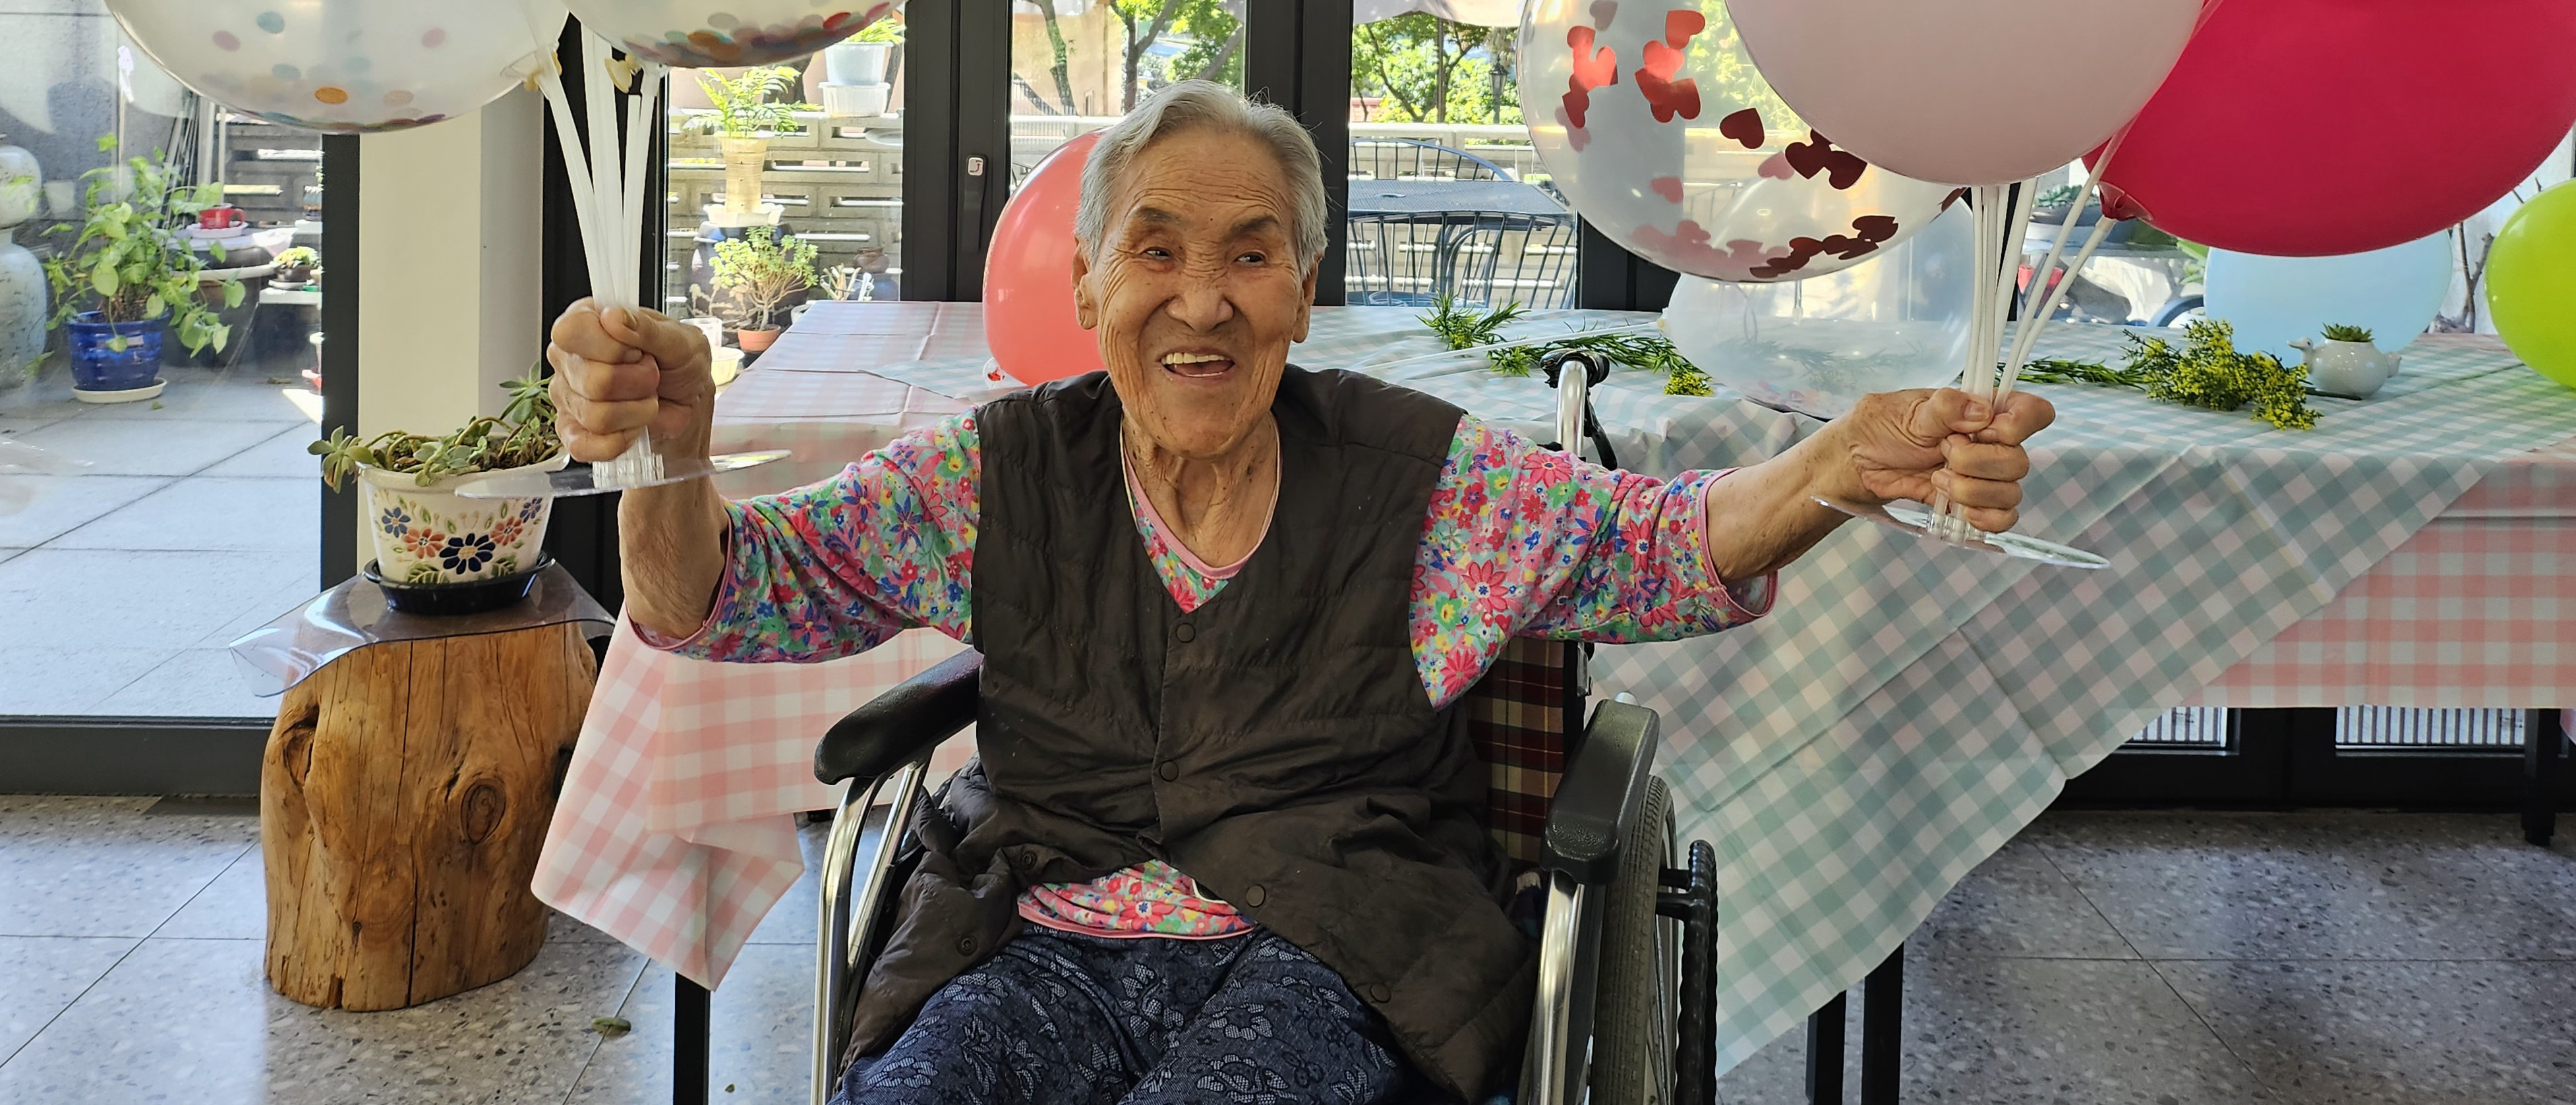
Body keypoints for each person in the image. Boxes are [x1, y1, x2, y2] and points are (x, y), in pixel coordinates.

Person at [550, 81, 2049, 1105]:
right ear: (1087, 287)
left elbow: (1663, 542)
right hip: (1037, 942)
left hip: (1338, 957)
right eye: (1155, 250)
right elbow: (715, 602)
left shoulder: (1424, 483)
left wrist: (1841, 463)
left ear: (1303, 288)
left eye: (1250, 254)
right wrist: (669, 457)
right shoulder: (995, 476)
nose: (1202, 298)